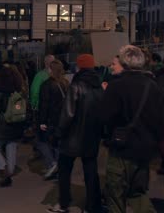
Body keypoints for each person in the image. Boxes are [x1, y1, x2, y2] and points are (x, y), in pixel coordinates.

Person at [100, 45, 164, 213]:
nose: (112, 66)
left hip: (121, 148)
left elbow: (106, 118)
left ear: (124, 62)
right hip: (144, 149)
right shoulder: (153, 85)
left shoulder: (116, 86)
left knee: (115, 195)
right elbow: (159, 120)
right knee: (138, 193)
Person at [47, 54, 103, 213]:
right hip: (91, 137)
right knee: (91, 172)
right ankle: (93, 206)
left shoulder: (76, 86)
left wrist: (57, 134)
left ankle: (64, 204)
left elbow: (67, 115)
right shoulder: (99, 86)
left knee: (64, 171)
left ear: (79, 67)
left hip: (72, 138)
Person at [0, 63, 24, 187]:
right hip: (15, 123)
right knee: (11, 147)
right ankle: (10, 171)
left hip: (1, 124)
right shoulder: (18, 92)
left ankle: (4, 169)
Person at [37, 60, 69, 180]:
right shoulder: (66, 83)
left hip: (51, 119)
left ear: (51, 70)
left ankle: (52, 164)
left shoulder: (47, 84)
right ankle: (59, 169)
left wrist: (42, 121)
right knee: (58, 145)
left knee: (42, 142)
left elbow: (44, 104)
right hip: (63, 119)